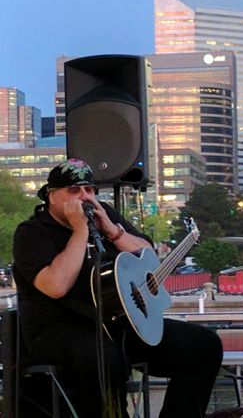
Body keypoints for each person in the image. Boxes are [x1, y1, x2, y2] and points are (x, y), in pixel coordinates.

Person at [13, 158, 223, 418]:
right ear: (52, 196)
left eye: (89, 190)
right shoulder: (31, 233)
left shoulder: (104, 215)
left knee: (203, 345)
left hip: (116, 323)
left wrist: (112, 231)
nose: (84, 197)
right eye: (74, 191)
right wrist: (80, 232)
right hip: (60, 329)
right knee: (107, 360)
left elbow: (148, 255)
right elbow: (55, 286)